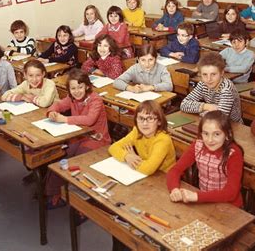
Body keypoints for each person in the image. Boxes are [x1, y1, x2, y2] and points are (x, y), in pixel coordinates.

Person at [45, 69, 111, 208]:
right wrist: (52, 111)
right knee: (61, 157)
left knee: (74, 163)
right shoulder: (72, 98)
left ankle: (78, 200)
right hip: (78, 137)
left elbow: (89, 119)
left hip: (97, 140)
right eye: (73, 88)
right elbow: (59, 104)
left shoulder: (95, 99)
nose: (77, 91)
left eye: (80, 87)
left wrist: (65, 119)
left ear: (87, 86)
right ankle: (53, 192)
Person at [167, 110, 244, 207]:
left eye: (216, 134)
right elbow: (175, 170)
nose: (210, 140)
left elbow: (231, 193)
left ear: (228, 135)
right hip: (206, 202)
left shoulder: (234, 153)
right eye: (205, 134)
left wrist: (196, 196)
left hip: (229, 206)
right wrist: (174, 189)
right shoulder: (198, 145)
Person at [108, 100, 176, 175]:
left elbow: (148, 169)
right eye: (141, 118)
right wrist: (127, 156)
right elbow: (113, 147)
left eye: (150, 119)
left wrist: (135, 158)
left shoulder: (163, 140)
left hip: (163, 178)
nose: (144, 123)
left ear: (159, 121)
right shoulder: (136, 131)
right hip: (143, 174)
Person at [180, 52, 243, 123]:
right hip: (210, 123)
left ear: (222, 73)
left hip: (232, 125)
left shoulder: (226, 89)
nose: (209, 79)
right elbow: (184, 104)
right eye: (204, 74)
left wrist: (201, 112)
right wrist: (206, 106)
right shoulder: (202, 84)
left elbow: (220, 118)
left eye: (213, 74)